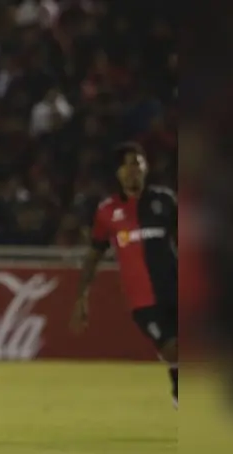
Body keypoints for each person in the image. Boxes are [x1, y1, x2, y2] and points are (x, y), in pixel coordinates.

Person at [71, 142, 178, 407]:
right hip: (142, 300)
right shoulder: (107, 211)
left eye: (138, 163)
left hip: (177, 289)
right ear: (117, 172)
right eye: (127, 164)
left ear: (146, 168)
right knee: (172, 348)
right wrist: (82, 296)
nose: (133, 170)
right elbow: (94, 254)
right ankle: (178, 376)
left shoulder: (165, 201)